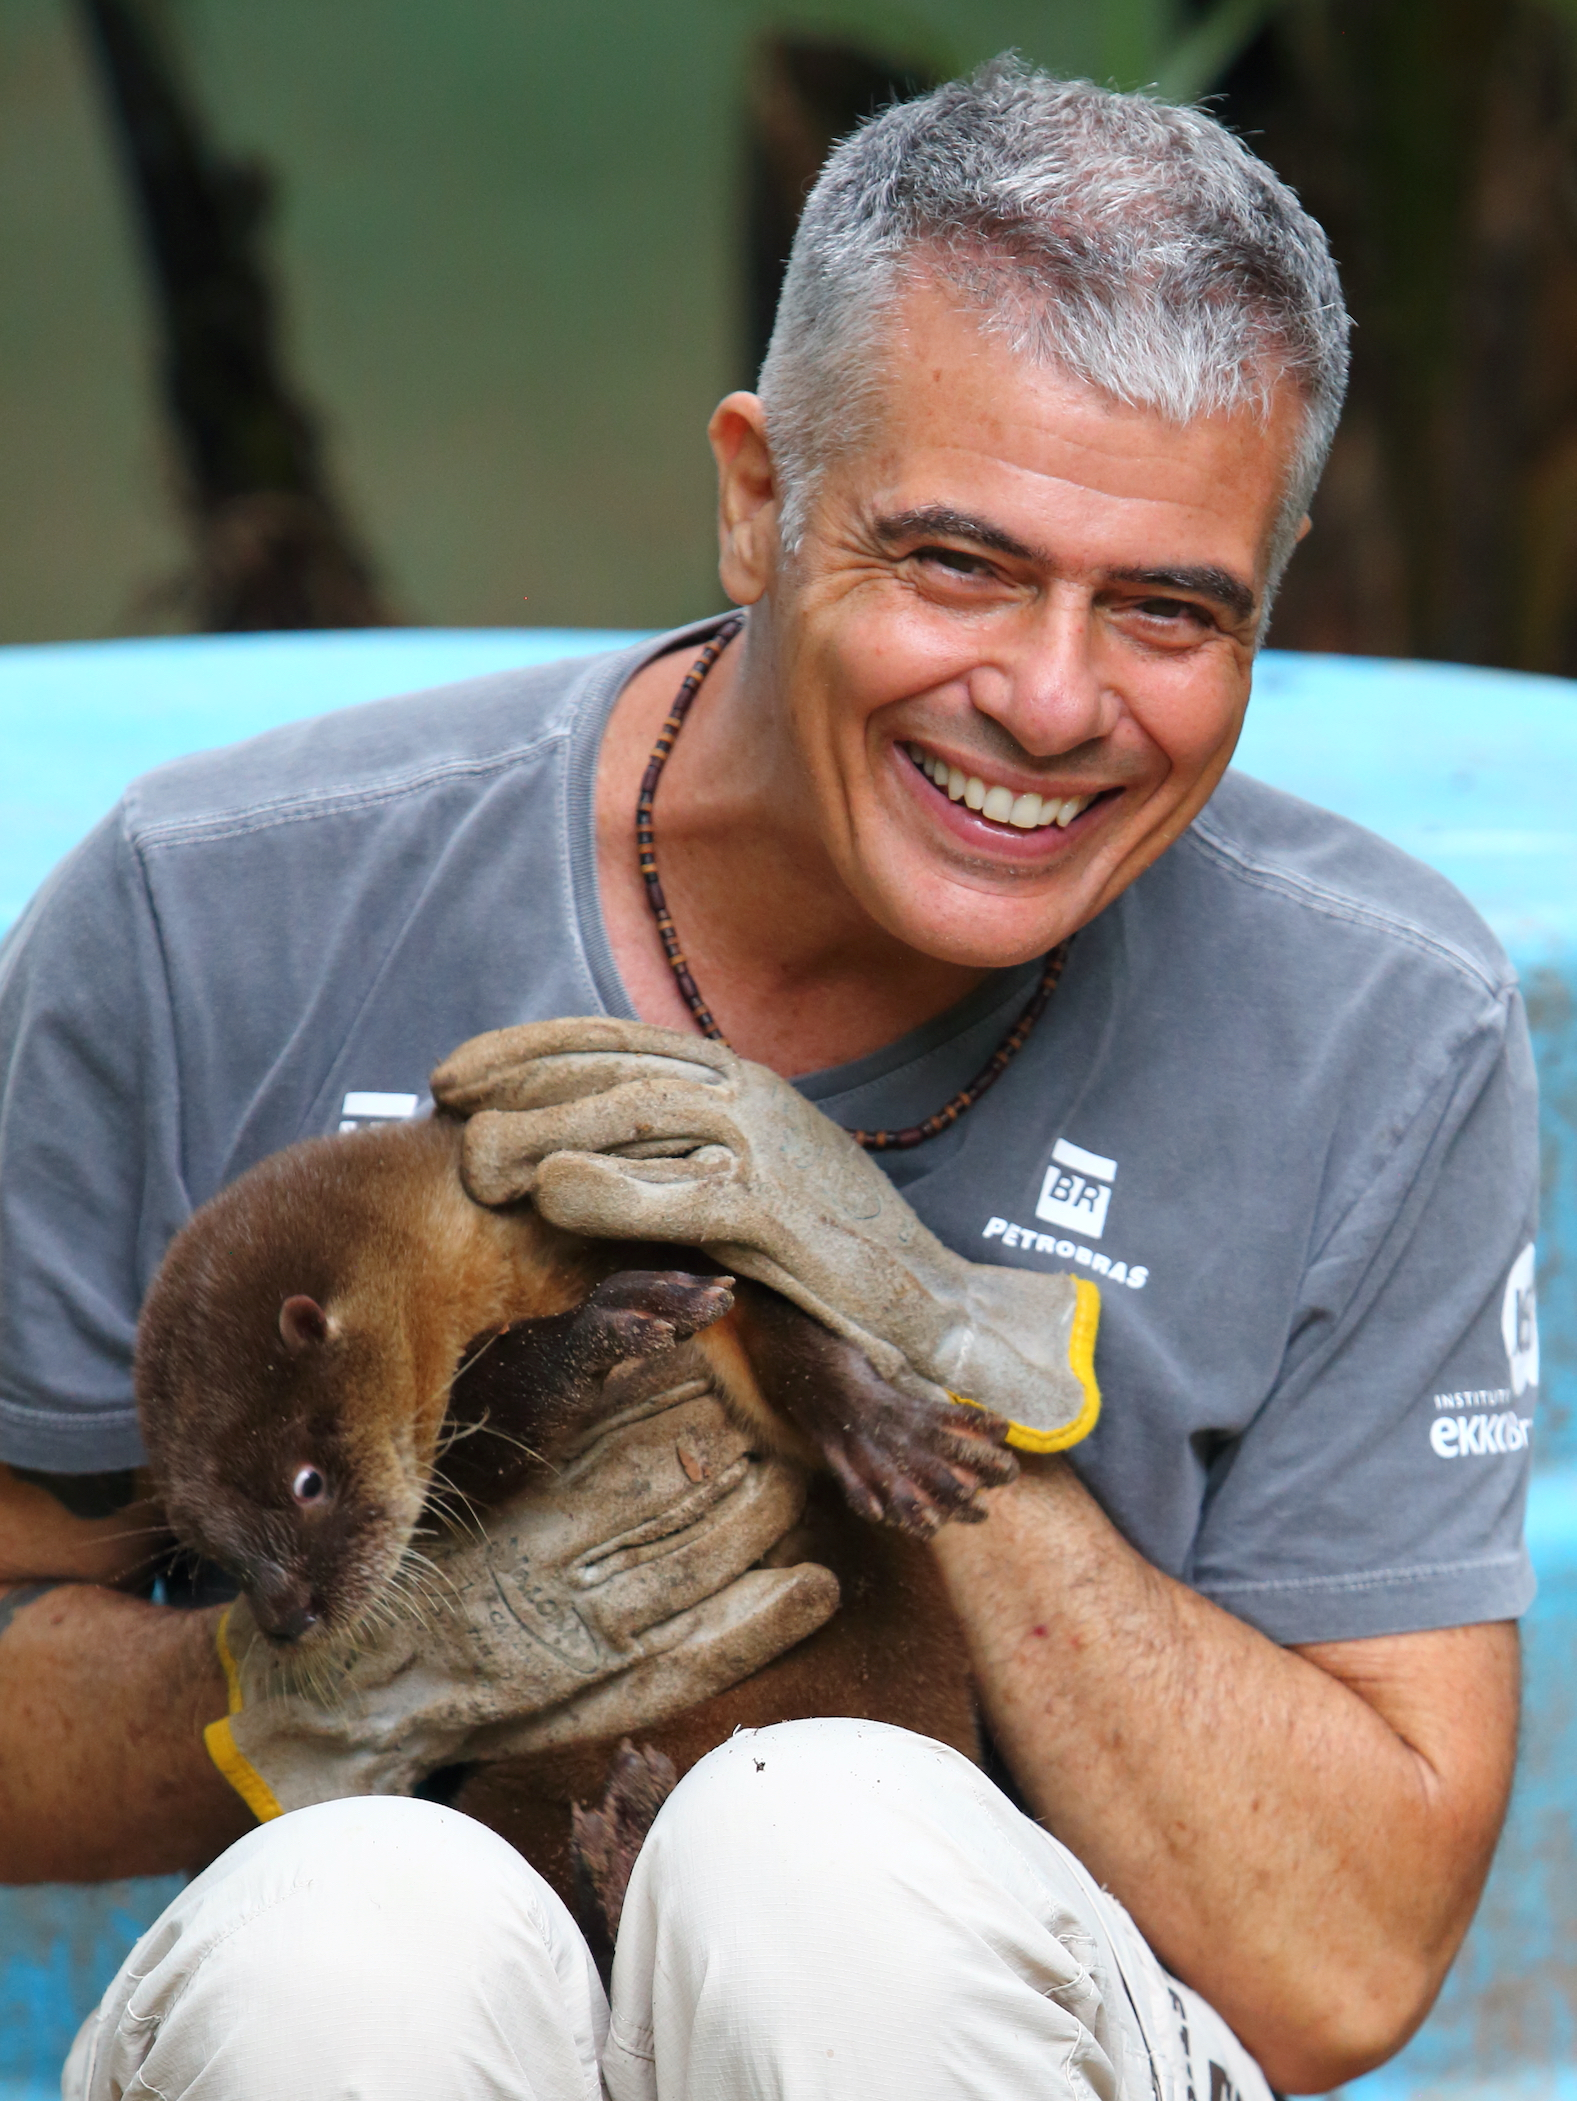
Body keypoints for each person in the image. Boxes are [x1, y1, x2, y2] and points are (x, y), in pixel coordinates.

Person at [0, 59, 1534, 2101]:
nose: (1052, 702)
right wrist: (325, 1675)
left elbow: (1336, 1971)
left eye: (1168, 608)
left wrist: (907, 1345)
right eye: (957, 564)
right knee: (351, 1937)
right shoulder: (215, 914)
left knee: (815, 1869)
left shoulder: (1380, 1022)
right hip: (402, 1985)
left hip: (956, 2004)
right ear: (755, 495)